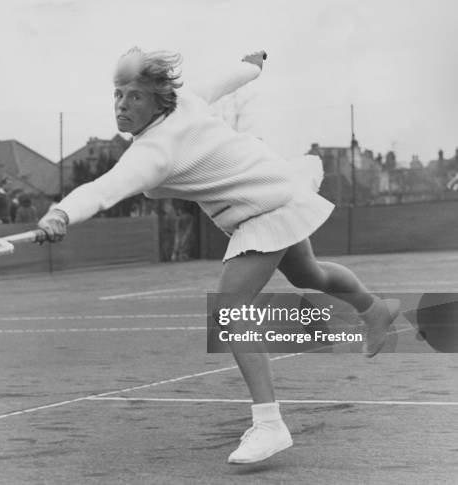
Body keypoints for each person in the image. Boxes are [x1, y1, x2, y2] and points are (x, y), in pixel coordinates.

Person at [38, 48, 401, 465]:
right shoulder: (184, 103)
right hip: (276, 186)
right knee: (309, 274)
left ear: (159, 99)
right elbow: (226, 79)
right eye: (118, 95)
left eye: (135, 96)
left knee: (231, 308)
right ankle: (374, 309)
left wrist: (61, 212)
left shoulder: (154, 150)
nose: (123, 104)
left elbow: (103, 189)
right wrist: (252, 65)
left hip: (263, 206)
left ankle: (269, 424)